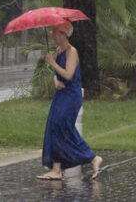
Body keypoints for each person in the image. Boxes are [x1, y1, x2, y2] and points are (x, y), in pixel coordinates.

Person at [38, 21, 103, 180]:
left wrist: (52, 63)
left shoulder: (71, 51)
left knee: (63, 127)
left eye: (55, 32)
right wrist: (55, 81)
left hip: (71, 96)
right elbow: (57, 74)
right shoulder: (59, 50)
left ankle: (92, 157)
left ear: (64, 34)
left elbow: (68, 74)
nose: (53, 35)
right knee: (55, 127)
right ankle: (56, 169)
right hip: (61, 94)